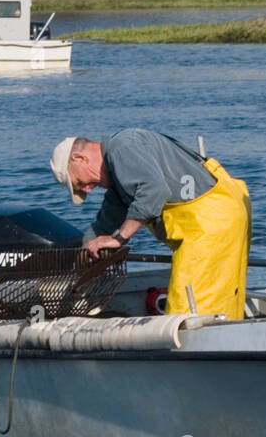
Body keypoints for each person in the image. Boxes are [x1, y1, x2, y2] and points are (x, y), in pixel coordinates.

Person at [49, 129, 251, 319]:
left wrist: (118, 238)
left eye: (79, 183)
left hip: (211, 224)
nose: (88, 190)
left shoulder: (123, 147)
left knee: (188, 313)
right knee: (221, 301)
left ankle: (195, 352)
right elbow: (104, 224)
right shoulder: (119, 178)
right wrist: (84, 256)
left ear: (80, 158)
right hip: (220, 216)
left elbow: (154, 191)